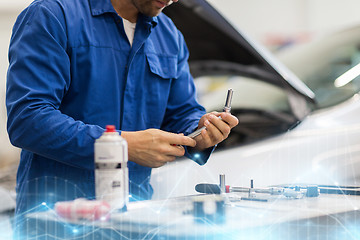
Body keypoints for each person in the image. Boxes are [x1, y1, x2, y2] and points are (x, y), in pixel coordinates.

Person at [6, 0, 239, 233]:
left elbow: (181, 112)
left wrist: (201, 131)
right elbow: (28, 119)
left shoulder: (169, 35)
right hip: (58, 223)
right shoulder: (53, 15)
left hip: (136, 222)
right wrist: (122, 145)